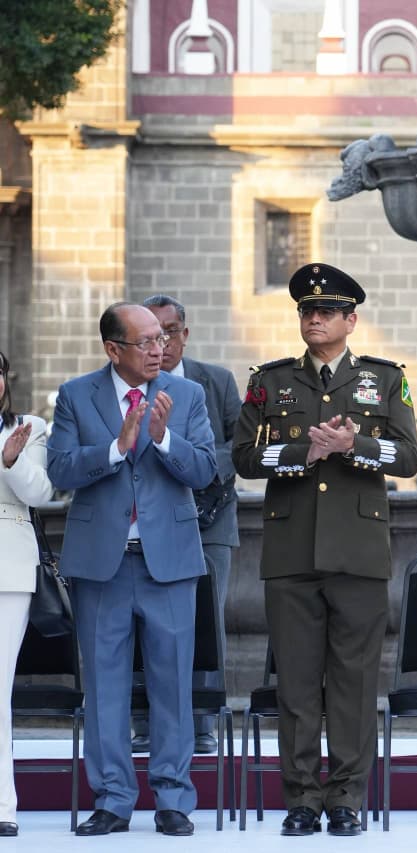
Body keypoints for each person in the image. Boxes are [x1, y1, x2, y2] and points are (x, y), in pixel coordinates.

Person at [232, 262, 417, 837]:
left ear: (350, 320)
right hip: (291, 553)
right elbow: (241, 458)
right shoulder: (271, 380)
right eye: (307, 311)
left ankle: (345, 798)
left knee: (354, 683)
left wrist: (353, 443)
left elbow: (407, 460)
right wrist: (300, 457)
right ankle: (302, 799)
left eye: (327, 311)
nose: (314, 319)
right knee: (296, 683)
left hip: (358, 553)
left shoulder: (385, 380)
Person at [46, 303, 217, 837]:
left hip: (168, 561)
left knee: (172, 685)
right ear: (112, 348)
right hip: (102, 563)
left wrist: (164, 440)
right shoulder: (77, 394)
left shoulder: (186, 395)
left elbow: (207, 469)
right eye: (144, 341)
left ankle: (172, 799)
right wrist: (115, 448)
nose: (157, 349)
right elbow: (58, 469)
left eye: (161, 338)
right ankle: (114, 799)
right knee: (105, 688)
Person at [131, 295, 240, 756]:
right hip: (146, 523)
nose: (162, 342)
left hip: (209, 521)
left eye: (170, 331)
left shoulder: (215, 382)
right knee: (139, 619)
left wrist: (194, 462)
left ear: (185, 334)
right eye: (151, 333)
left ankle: (201, 724)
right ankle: (143, 722)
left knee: (205, 622)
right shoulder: (126, 386)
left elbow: (245, 446)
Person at [0, 350, 56, 837]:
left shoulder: (29, 427)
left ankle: (3, 804)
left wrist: (11, 460)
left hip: (7, 565)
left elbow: (41, 494)